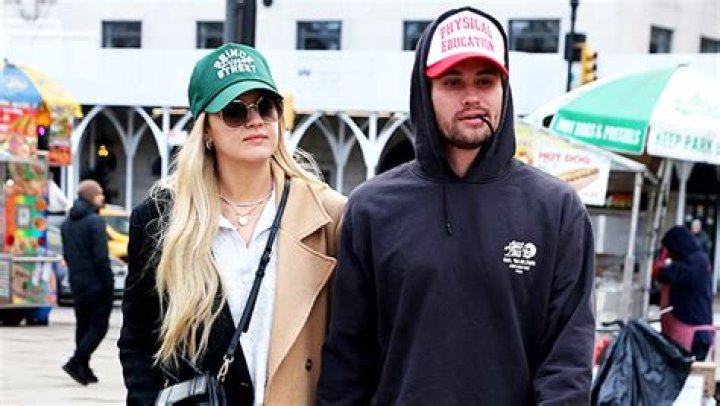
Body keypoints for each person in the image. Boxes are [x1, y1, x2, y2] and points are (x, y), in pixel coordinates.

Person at [317, 7, 595, 405]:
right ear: (425, 91)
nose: (471, 97)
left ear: (504, 88)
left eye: (485, 81)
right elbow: (347, 363)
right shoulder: (371, 209)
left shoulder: (556, 210)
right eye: (452, 82)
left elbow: (566, 367)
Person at [117, 43, 346, 405]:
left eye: (266, 107)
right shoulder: (162, 219)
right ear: (206, 130)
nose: (255, 121)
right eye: (234, 112)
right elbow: (138, 341)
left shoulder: (327, 215)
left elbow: (351, 343)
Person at [60, 179, 113, 385]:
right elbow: (101, 258)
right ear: (91, 196)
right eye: (99, 194)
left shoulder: (67, 224)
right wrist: (108, 283)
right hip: (96, 283)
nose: (103, 197)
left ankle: (83, 367)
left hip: (77, 282)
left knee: (83, 325)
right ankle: (76, 361)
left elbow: (67, 255)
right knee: (99, 326)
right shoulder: (95, 222)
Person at [655, 225, 713, 361]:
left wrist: (661, 262)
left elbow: (667, 275)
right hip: (688, 330)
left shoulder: (696, 262)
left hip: (695, 334)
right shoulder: (691, 261)